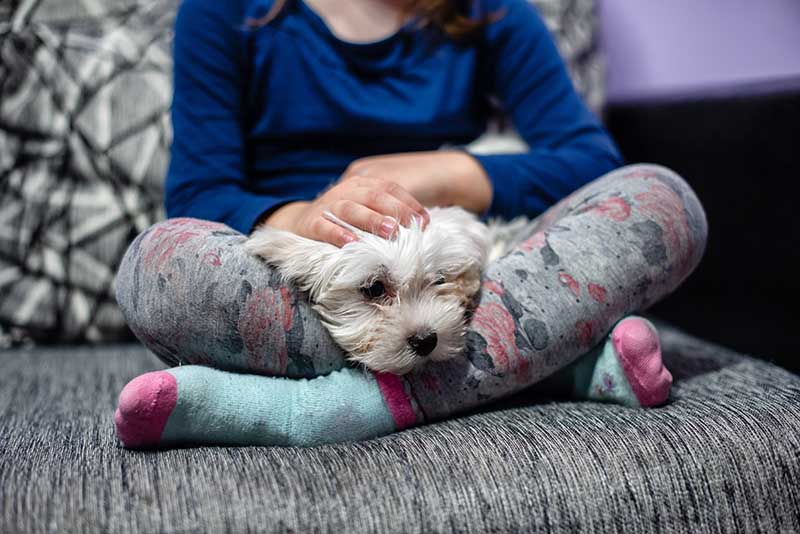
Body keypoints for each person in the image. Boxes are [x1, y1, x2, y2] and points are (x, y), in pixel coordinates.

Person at [113, 0, 707, 448]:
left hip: (466, 262)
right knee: (156, 263)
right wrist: (308, 218)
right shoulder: (223, 12)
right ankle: (553, 363)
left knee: (662, 199)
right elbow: (197, 192)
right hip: (295, 267)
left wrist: (442, 172)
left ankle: (324, 407)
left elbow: (594, 162)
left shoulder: (491, 10)